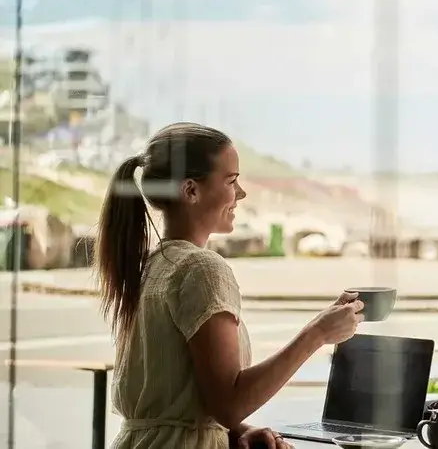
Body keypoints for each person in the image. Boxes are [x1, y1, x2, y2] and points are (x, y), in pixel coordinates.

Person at [96, 122, 364, 449]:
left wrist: (236, 432)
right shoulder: (201, 268)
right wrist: (317, 334)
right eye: (231, 180)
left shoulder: (153, 266)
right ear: (191, 191)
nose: (241, 193)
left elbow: (186, 398)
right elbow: (228, 403)